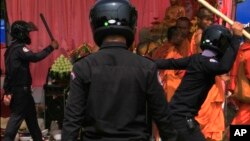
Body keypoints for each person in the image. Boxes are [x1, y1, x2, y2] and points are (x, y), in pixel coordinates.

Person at [62, 0, 176, 141]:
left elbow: (72, 119)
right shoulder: (147, 67)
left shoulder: (83, 67)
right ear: (132, 24)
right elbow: (163, 117)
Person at [154, 22, 244, 141]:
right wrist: (237, 37)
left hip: (175, 117)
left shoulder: (196, 59)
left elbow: (171, 63)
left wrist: (145, 61)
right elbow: (225, 66)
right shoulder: (208, 63)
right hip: (182, 119)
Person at [3, 20, 59, 141]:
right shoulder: (19, 49)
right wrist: (51, 47)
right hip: (21, 93)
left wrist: (7, 91)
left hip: (23, 92)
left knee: (33, 124)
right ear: (21, 34)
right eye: (27, 33)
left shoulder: (9, 50)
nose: (28, 35)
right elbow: (35, 57)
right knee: (15, 121)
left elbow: (9, 73)